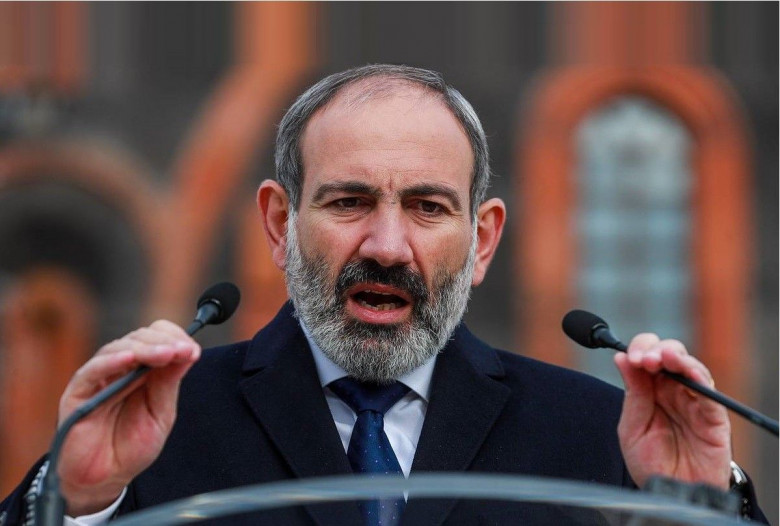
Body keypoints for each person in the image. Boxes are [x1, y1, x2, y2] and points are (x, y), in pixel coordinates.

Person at [0, 64, 767, 525]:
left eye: (428, 207)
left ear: (483, 241)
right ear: (279, 223)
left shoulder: (599, 434)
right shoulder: (155, 427)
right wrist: (75, 499)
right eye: (349, 202)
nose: (387, 246)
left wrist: (704, 504)